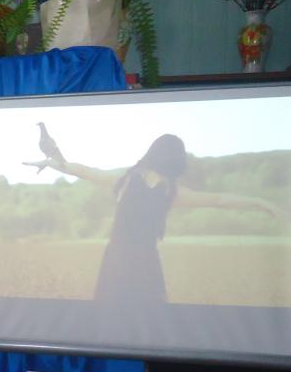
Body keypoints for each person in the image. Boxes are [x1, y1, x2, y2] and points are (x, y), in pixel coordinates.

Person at [24, 127, 285, 306]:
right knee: (147, 323)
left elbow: (86, 171)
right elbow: (219, 200)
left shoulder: (126, 180)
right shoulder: (171, 192)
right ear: (177, 160)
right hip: (146, 264)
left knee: (111, 319)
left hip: (117, 261)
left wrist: (53, 164)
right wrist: (261, 203)